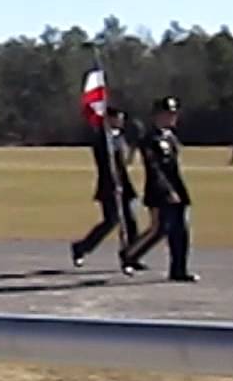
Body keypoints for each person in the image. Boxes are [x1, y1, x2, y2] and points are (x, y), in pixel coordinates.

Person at [120, 96, 199, 283]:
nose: (172, 117)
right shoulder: (150, 139)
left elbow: (174, 168)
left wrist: (179, 191)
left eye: (174, 114)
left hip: (177, 189)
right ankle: (129, 255)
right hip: (159, 191)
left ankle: (178, 269)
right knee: (159, 229)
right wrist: (167, 190)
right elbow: (154, 168)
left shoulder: (170, 137)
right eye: (168, 114)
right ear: (157, 115)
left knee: (181, 230)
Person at [71, 108, 140, 268]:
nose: (121, 122)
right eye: (118, 118)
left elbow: (125, 162)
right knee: (111, 220)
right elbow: (105, 162)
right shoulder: (102, 138)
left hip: (124, 184)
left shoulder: (119, 137)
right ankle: (82, 247)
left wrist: (134, 147)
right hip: (109, 185)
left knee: (130, 221)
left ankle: (132, 255)